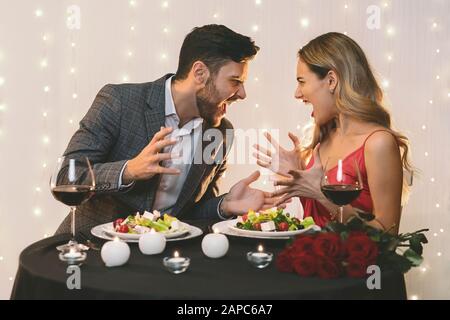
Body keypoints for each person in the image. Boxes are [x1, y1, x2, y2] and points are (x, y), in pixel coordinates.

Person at [55, 24, 280, 235]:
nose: (242, 94)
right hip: (90, 250)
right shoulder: (119, 101)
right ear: (200, 73)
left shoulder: (222, 134)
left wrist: (225, 205)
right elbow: (67, 178)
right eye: (235, 81)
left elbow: (190, 216)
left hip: (162, 264)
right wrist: (129, 170)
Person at [254, 32, 412, 234]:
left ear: (331, 81)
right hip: (311, 260)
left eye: (302, 81)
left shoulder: (378, 143)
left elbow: (387, 234)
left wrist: (321, 194)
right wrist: (299, 173)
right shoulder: (326, 135)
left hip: (352, 265)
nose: (297, 93)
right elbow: (316, 219)